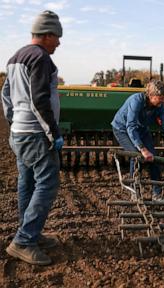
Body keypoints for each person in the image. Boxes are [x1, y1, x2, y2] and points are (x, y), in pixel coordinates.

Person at [1, 10, 64, 265]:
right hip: (36, 134)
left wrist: (14, 123)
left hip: (19, 132)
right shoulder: (40, 58)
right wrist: (53, 133)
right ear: (47, 34)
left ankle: (29, 233)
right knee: (48, 184)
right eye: (57, 37)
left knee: (27, 183)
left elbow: (5, 95)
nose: (59, 42)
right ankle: (24, 240)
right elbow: (40, 100)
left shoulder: (16, 56)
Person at [111, 79, 164, 201]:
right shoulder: (136, 101)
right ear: (151, 95)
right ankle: (134, 192)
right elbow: (130, 126)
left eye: (163, 97)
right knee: (136, 156)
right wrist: (142, 148)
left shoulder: (160, 105)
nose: (162, 100)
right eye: (160, 97)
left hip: (141, 129)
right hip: (122, 129)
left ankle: (156, 194)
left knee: (154, 158)